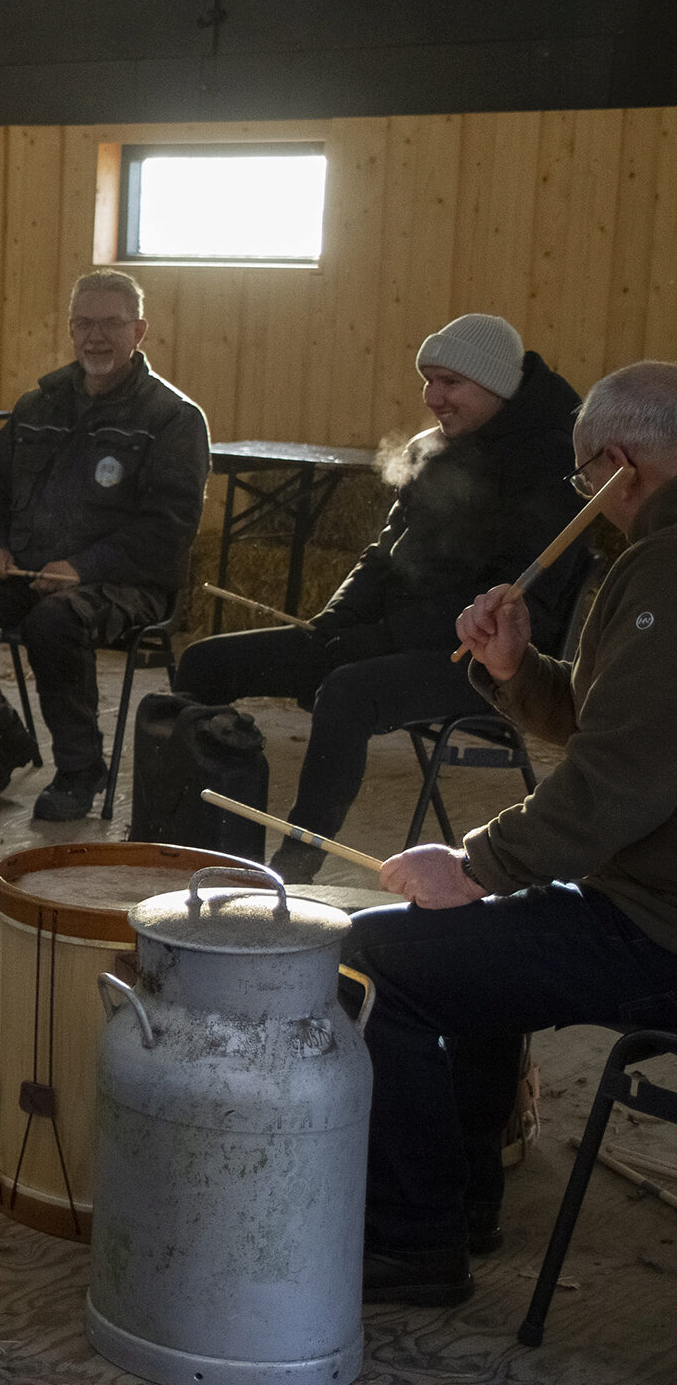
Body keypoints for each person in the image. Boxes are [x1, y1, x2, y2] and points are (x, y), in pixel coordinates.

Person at [345, 360, 677, 1307]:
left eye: (588, 481)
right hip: (645, 895)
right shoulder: (656, 560)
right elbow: (619, 724)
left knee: (380, 959)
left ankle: (413, 1243)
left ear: (619, 465)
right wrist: (515, 666)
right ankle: (464, 1202)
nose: (588, 502)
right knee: (465, 949)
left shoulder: (666, 564)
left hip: (657, 922)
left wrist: (479, 864)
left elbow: (619, 778)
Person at [174, 314, 583, 873]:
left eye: (450, 384)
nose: (433, 397)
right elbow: (382, 554)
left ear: (497, 386)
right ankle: (195, 839)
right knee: (204, 662)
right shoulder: (432, 449)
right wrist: (334, 620)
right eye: (428, 380)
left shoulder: (552, 461)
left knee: (347, 691)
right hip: (383, 636)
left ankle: (298, 859)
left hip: (486, 659)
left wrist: (374, 639)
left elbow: (507, 600)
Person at [0, 269, 210, 821]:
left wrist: (83, 565)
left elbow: (167, 528)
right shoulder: (36, 406)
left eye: (110, 324)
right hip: (27, 571)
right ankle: (5, 739)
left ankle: (79, 771)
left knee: (56, 621)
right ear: (70, 329)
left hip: (127, 585)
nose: (95, 337)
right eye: (83, 323)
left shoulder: (173, 419)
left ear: (139, 331)